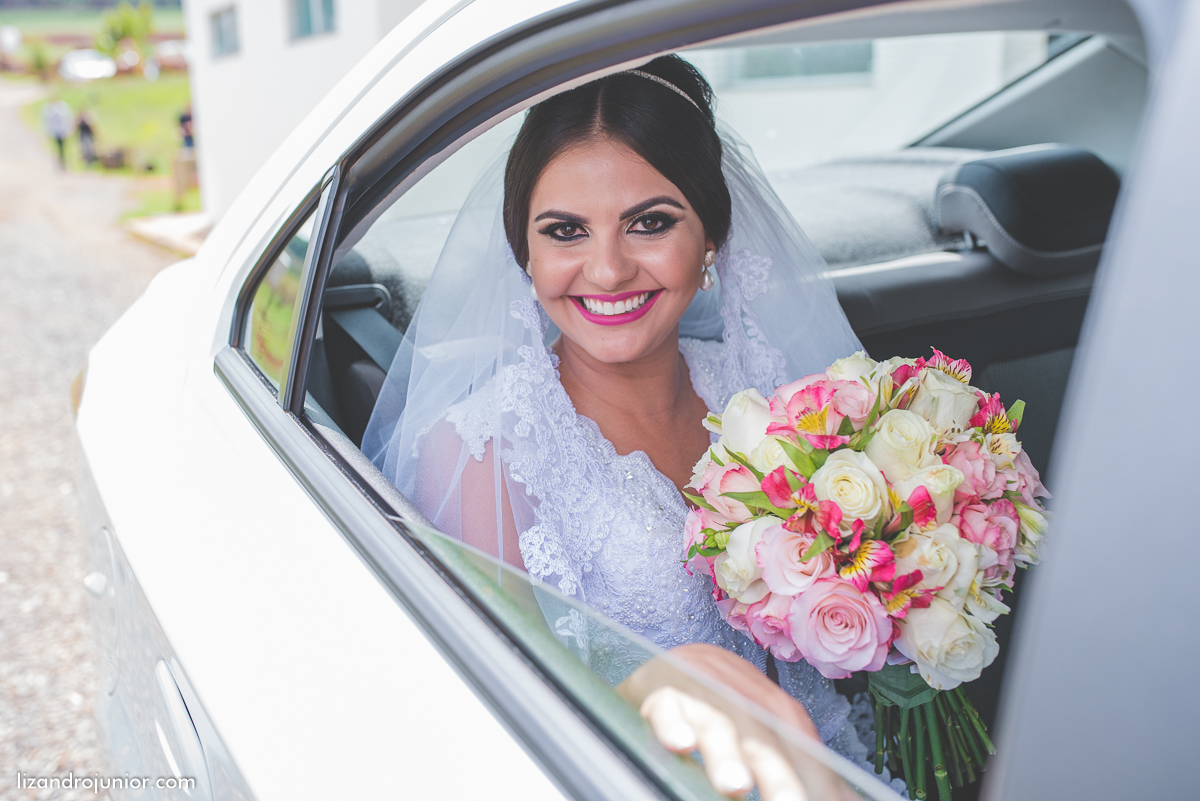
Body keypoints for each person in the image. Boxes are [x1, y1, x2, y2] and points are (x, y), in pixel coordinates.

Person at [363, 56, 897, 797]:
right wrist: (648, 690)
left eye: (649, 223)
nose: (608, 270)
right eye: (565, 231)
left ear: (710, 235)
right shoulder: (480, 451)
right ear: (525, 251)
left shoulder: (779, 396)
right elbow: (504, 713)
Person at [42, 98, 73, 169]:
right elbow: (47, 122)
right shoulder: (49, 109)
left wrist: (68, 130)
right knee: (56, 148)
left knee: (62, 148)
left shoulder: (63, 108)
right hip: (55, 132)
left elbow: (67, 119)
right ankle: (59, 163)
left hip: (61, 131)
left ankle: (63, 162)